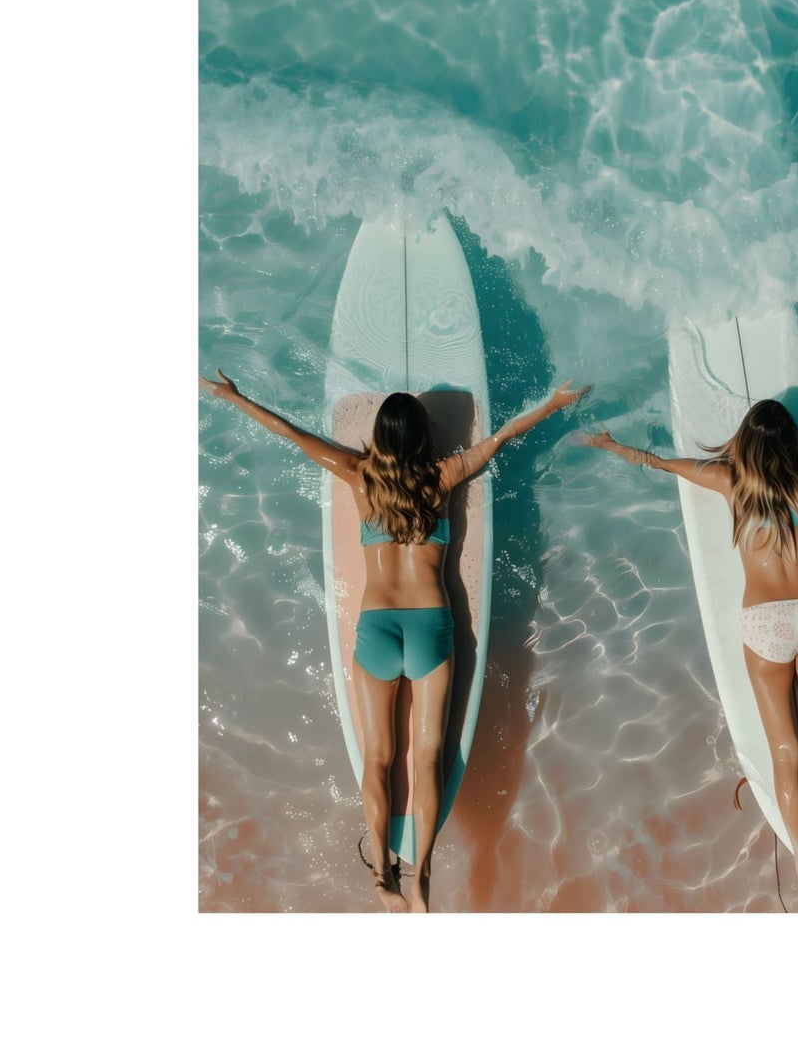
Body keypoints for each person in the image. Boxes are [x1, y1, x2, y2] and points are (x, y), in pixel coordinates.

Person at [199, 368, 588, 912]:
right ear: (423, 438)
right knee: (428, 757)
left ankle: (384, 878)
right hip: (431, 626)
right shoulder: (443, 475)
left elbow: (289, 432)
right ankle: (422, 876)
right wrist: (555, 402)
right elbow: (502, 439)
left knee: (379, 757)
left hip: (378, 627)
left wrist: (233, 395)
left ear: (380, 437)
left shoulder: (358, 476)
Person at [586, 398, 798, 912]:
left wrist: (612, 446)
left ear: (745, 444)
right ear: (790, 441)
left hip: (766, 623)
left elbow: (659, 463)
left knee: (785, 754)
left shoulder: (730, 482)